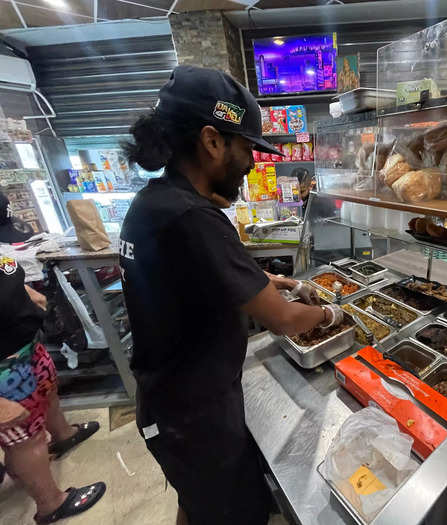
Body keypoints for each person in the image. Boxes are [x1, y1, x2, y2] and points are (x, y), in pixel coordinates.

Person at [120, 65, 344, 525]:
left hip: (171, 403)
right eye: (246, 147)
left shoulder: (155, 201)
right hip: (194, 416)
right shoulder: (193, 217)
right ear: (212, 140)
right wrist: (329, 314)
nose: (252, 162)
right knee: (233, 513)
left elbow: (198, 281)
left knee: (199, 504)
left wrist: (268, 282)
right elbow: (282, 319)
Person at [0, 253, 104, 524]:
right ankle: (51, 504)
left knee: (48, 397)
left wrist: (29, 297)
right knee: (25, 441)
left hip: (24, 346)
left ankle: (63, 435)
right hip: (4, 372)